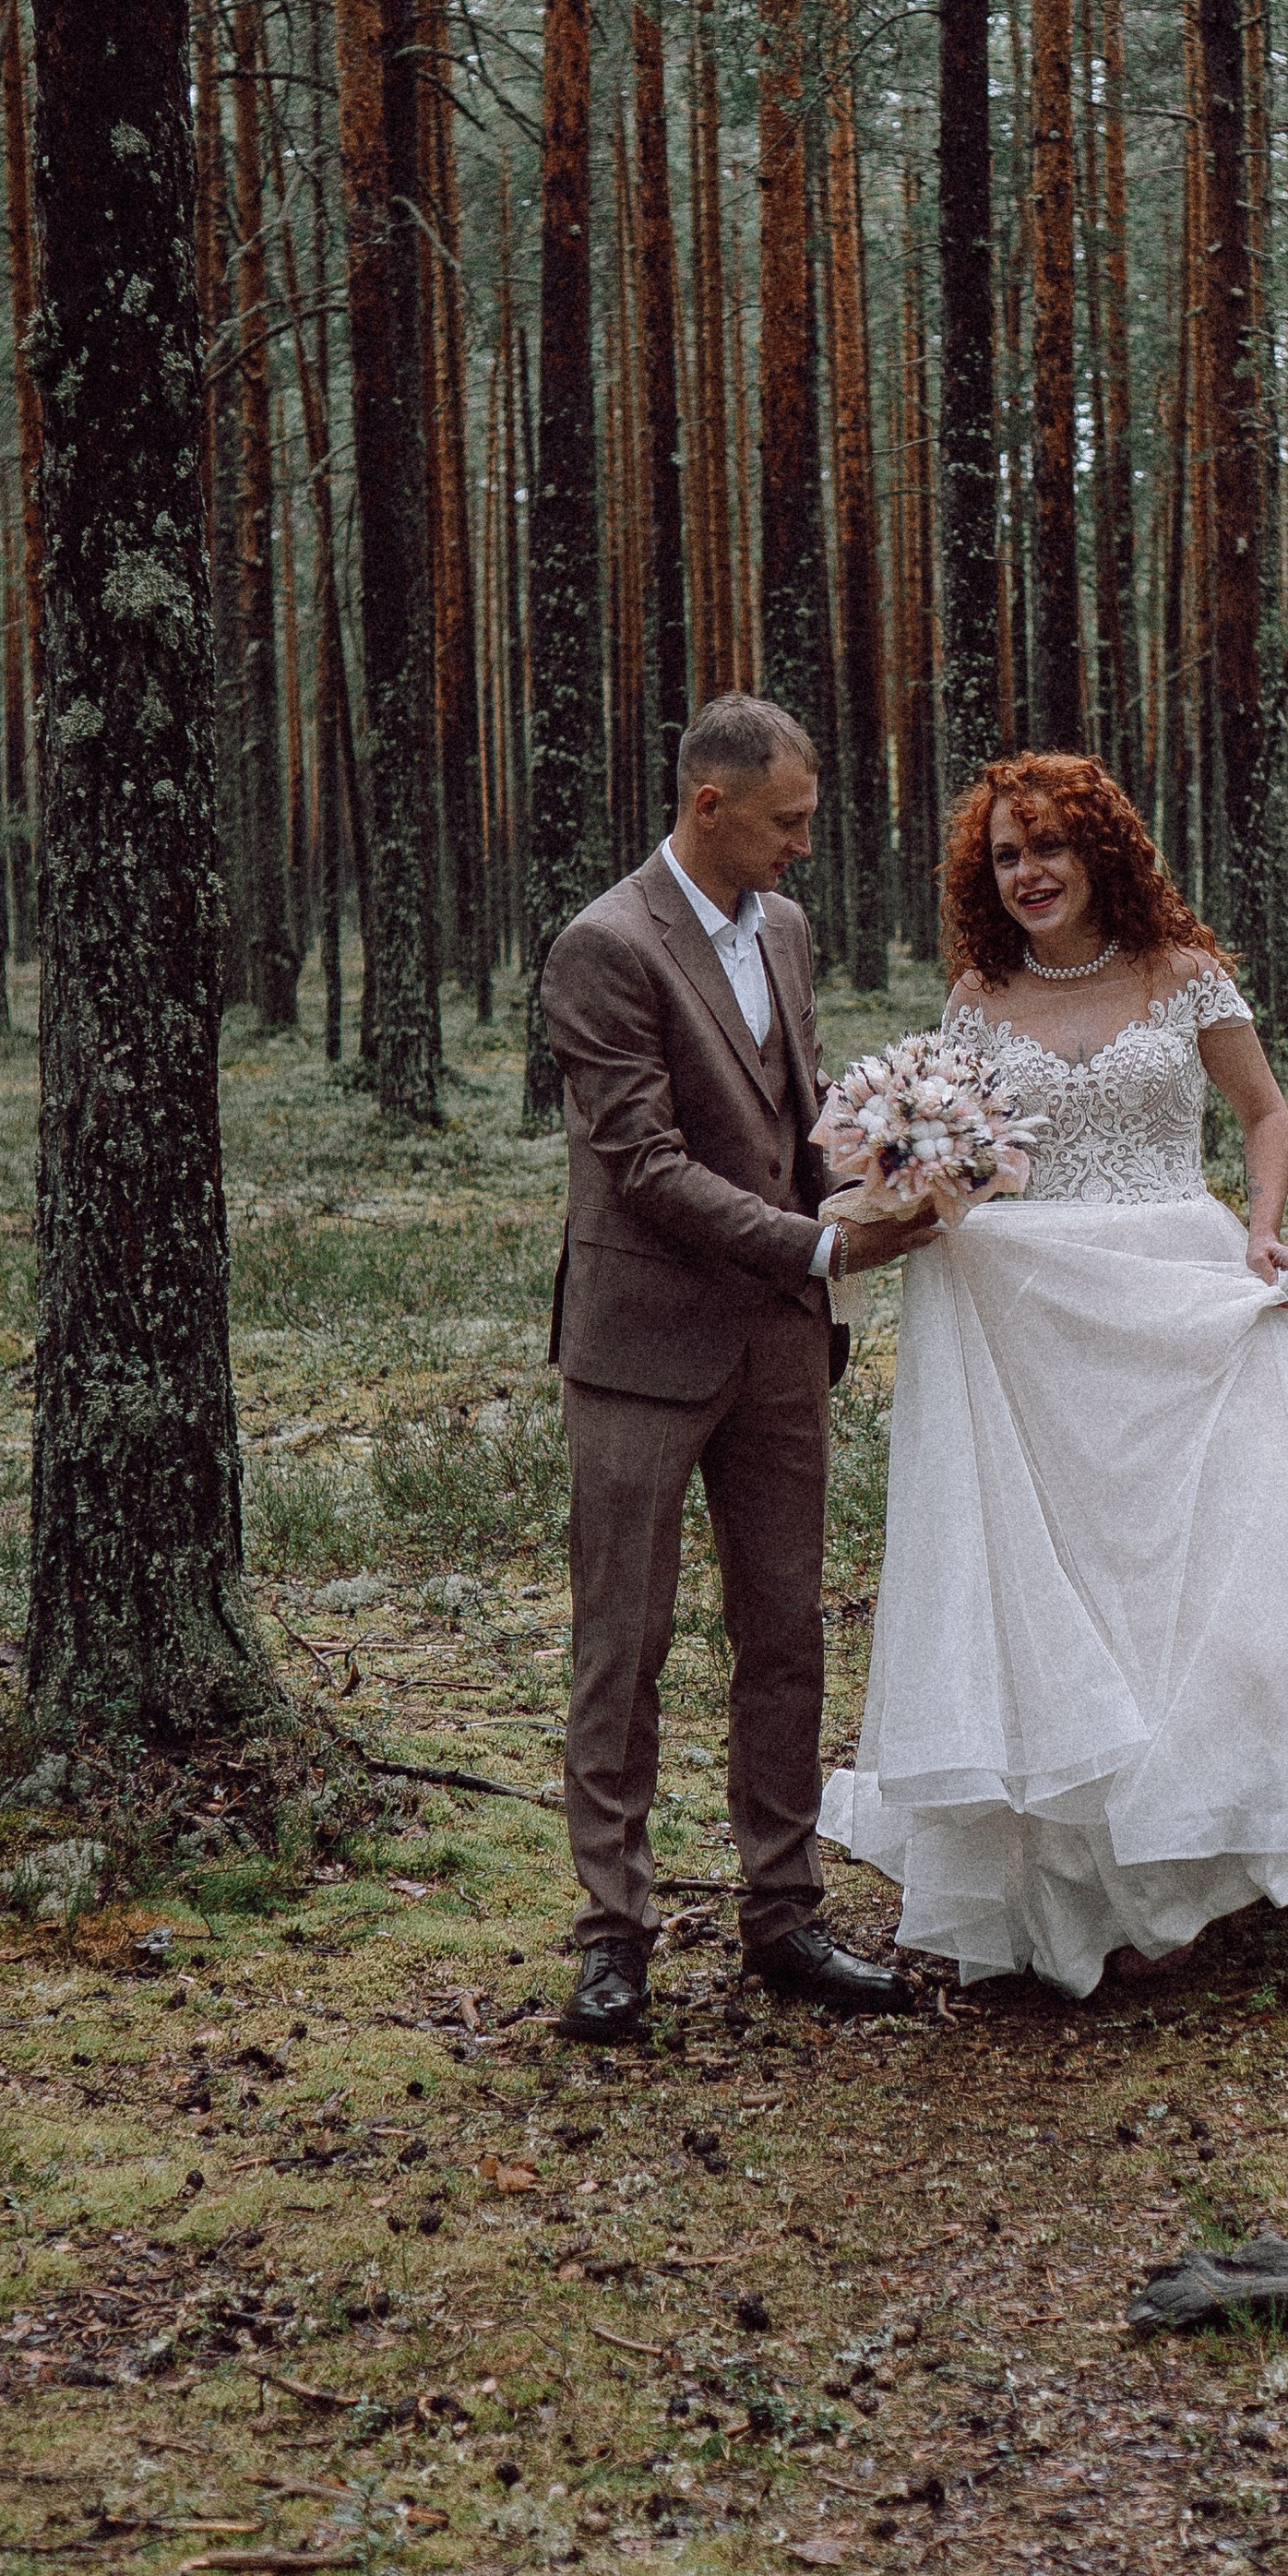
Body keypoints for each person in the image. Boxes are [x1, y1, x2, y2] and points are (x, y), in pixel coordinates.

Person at [820, 751, 1288, 1998]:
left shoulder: (1186, 978)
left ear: (1101, 852)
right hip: (1034, 1316)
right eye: (1006, 856)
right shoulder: (976, 1001)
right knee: (1064, 1588)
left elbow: (1264, 1112)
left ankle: (1206, 1847)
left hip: (1182, 1289)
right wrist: (902, 1181)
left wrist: (1261, 1228)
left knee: (1213, 1581)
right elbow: (966, 1168)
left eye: (1049, 847)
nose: (1028, 874)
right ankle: (1084, 1875)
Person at [540, 693, 938, 2045]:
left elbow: (793, 1116)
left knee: (783, 1637)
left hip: (776, 1344)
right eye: (786, 822)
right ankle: (615, 1937)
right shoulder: (603, 947)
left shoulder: (786, 929)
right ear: (710, 806)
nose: (801, 848)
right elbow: (641, 1168)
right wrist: (822, 1252)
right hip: (646, 1347)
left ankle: (786, 1911)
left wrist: (898, 1168)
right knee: (624, 1645)